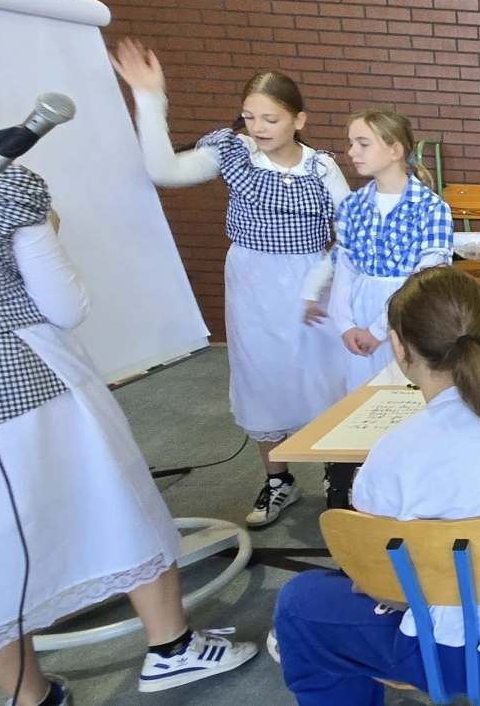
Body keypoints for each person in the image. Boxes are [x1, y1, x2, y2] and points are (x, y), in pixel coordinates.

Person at [0, 15, 253, 706]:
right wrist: (51, 234)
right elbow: (65, 306)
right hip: (23, 392)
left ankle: (33, 697)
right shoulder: (2, 191)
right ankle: (171, 648)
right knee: (115, 506)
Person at [271, 267, 480, 706]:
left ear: (398, 346)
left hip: (464, 653)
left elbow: (378, 582)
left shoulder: (397, 452)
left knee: (298, 606)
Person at [111, 38, 349, 526]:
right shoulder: (234, 152)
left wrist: (329, 277)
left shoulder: (322, 166)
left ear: (299, 120)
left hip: (311, 278)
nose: (258, 127)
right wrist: (150, 98)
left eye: (271, 118)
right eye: (250, 116)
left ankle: (335, 472)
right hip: (253, 279)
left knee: (321, 374)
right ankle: (278, 479)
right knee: (260, 373)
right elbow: (163, 170)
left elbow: (349, 229)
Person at [326, 110, 467, 393]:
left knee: (406, 391)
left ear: (395, 150)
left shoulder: (431, 207)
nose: (352, 152)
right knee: (361, 393)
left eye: (363, 144)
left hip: (409, 314)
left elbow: (424, 279)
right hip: (359, 316)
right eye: (351, 143)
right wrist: (345, 325)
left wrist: (377, 331)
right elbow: (345, 269)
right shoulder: (352, 206)